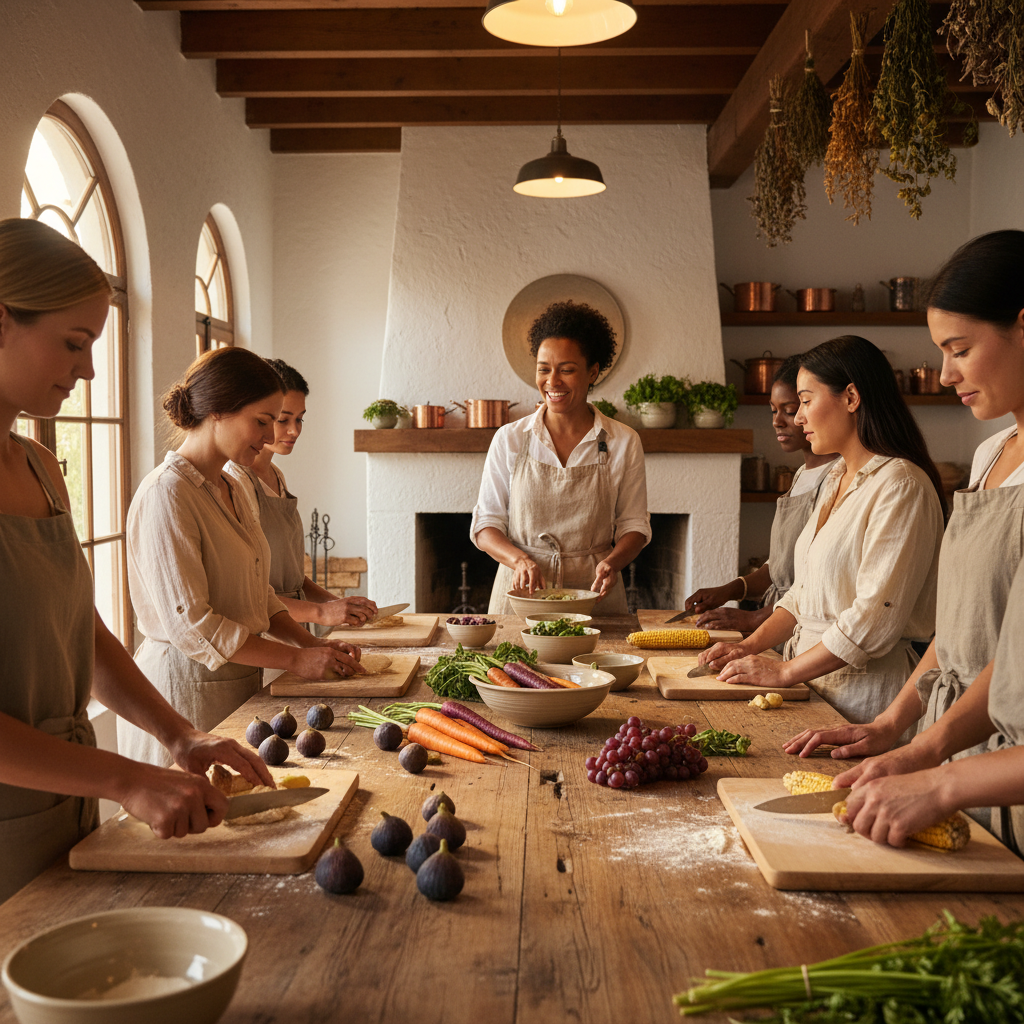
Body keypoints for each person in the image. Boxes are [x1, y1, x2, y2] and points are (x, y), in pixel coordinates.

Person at [0, 217, 272, 902]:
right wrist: (124, 778)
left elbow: (82, 633)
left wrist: (179, 736)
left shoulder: (40, 468)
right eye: (74, 343)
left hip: (61, 806)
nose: (89, 370)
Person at [790, 231, 1024, 855]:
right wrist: (900, 731)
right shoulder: (991, 454)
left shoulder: (899, 482)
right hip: (963, 751)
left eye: (960, 349)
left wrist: (937, 771)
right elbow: (965, 627)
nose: (945, 374)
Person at [118, 347, 366, 768]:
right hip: (184, 693)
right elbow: (194, 626)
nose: (270, 437)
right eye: (263, 421)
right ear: (218, 410)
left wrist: (311, 644)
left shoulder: (230, 488)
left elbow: (259, 594)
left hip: (236, 684)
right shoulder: (167, 493)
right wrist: (295, 658)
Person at [698, 336, 945, 731]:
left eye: (805, 401)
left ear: (851, 397)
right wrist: (746, 647)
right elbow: (802, 594)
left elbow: (872, 621)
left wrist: (783, 672)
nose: (798, 418)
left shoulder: (901, 486)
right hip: (810, 686)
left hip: (864, 702)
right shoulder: (834, 478)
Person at [471, 300, 651, 614]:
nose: (552, 381)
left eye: (566, 370)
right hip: (522, 594)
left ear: (593, 372)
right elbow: (486, 525)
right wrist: (519, 560)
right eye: (544, 369)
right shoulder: (510, 439)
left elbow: (635, 525)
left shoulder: (623, 441)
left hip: (594, 595)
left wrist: (612, 562)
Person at [683, 355, 838, 631]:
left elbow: (820, 583)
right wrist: (728, 590)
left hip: (801, 626)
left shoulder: (839, 478)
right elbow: (779, 569)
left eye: (790, 410)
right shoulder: (801, 475)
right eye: (773, 411)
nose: (778, 421)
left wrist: (753, 618)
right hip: (776, 626)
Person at [228, 358, 378, 628]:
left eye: (299, 419)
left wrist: (336, 603)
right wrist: (322, 613)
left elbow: (293, 578)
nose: (294, 430)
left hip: (295, 627)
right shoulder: (235, 482)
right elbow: (245, 594)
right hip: (266, 632)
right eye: (282, 419)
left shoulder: (276, 475)